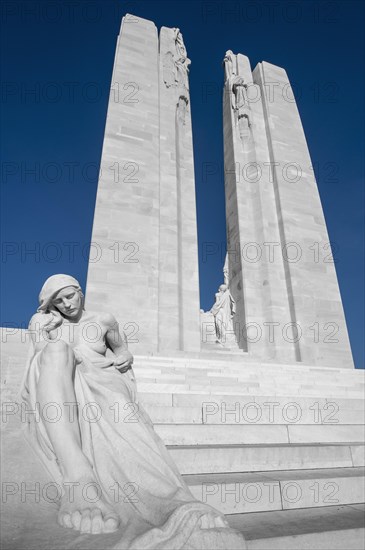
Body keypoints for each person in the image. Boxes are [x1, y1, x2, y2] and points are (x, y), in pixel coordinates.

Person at [20, 274, 246, 549]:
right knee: (55, 351)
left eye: (69, 296)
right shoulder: (48, 323)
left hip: (103, 379)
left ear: (80, 292)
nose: (66, 304)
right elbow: (39, 353)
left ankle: (169, 501)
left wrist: (125, 356)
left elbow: (121, 349)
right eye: (58, 301)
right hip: (65, 379)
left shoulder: (104, 320)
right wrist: (45, 329)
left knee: (122, 413)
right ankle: (79, 479)